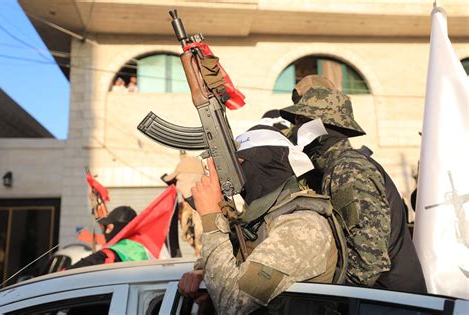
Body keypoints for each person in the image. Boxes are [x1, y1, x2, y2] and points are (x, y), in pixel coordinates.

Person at [279, 75, 427, 293]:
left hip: (387, 301)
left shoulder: (348, 170)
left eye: (301, 121)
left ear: (320, 127)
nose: (294, 129)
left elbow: (365, 267)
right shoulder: (336, 168)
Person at [180, 125, 338, 314]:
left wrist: (211, 219)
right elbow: (230, 265)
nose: (228, 177)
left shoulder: (302, 227)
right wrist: (205, 275)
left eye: (238, 165)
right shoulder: (259, 222)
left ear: (264, 163)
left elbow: (232, 304)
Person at [69, 206, 149, 268]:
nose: (106, 232)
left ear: (121, 229)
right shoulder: (142, 251)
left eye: (109, 228)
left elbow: (73, 272)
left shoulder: (111, 254)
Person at [163, 152, 205, 256]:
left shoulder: (202, 210)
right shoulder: (188, 209)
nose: (176, 186)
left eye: (178, 181)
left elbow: (201, 239)